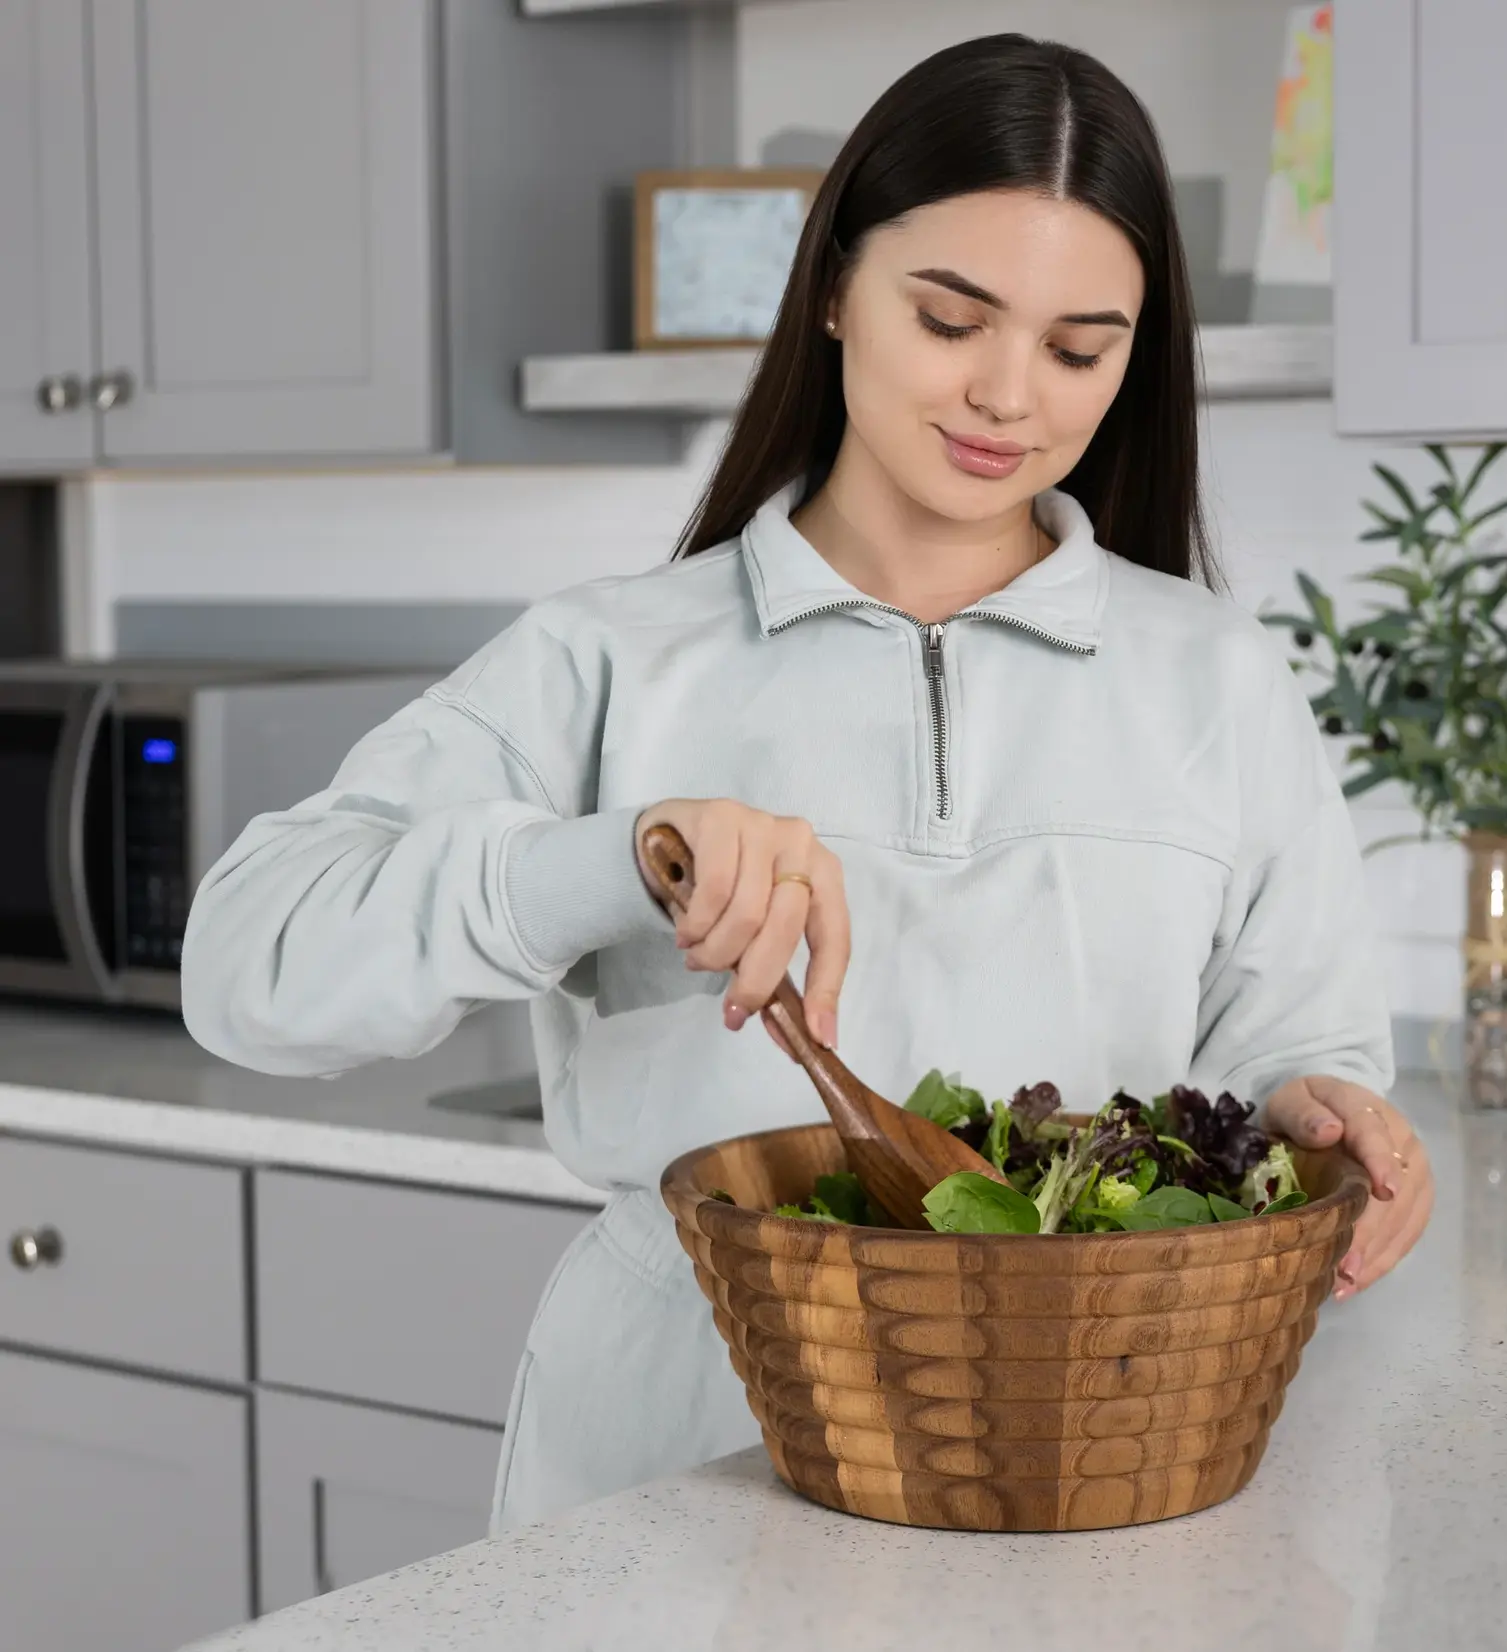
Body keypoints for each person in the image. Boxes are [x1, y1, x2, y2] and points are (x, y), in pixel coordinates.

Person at [182, 34, 1434, 1531]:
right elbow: (246, 968)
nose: (1007, 396)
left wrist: (1319, 1113)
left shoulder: (1216, 677)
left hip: (1091, 1446)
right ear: (836, 286)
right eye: (952, 318)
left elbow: (1302, 1044)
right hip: (672, 1464)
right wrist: (614, 856)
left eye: (1078, 349)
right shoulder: (606, 657)